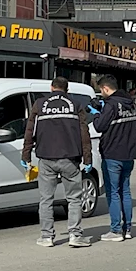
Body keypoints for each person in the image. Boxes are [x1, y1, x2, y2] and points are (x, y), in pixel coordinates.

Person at [21, 77, 92, 248]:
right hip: (70, 158)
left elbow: (30, 131)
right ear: (67, 90)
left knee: (46, 199)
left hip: (46, 157)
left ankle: (46, 236)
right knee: (74, 199)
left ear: (51, 87)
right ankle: (75, 235)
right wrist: (87, 158)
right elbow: (84, 133)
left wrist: (26, 156)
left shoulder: (39, 104)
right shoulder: (76, 105)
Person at [89, 75, 136, 242]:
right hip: (129, 153)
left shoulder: (111, 104)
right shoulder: (130, 103)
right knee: (125, 191)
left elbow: (99, 126)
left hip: (112, 153)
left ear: (105, 88)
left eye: (100, 91)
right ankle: (128, 228)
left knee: (113, 192)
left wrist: (96, 113)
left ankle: (116, 230)